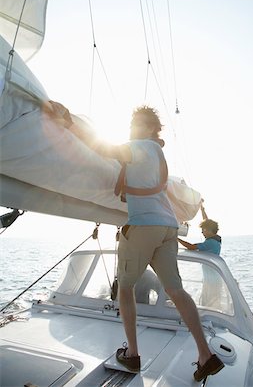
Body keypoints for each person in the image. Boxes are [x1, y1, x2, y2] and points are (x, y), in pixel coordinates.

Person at [45, 102, 224, 382]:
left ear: (151, 129)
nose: (132, 129)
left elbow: (103, 149)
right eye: (131, 125)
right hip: (167, 227)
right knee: (176, 291)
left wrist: (68, 123)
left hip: (143, 226)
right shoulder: (156, 153)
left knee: (125, 288)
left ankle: (132, 355)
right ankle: (205, 355)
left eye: (137, 124)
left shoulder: (140, 147)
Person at [178, 201, 222, 309]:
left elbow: (191, 247)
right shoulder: (216, 239)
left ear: (209, 230)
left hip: (211, 281)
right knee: (208, 303)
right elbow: (207, 222)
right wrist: (202, 210)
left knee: (209, 305)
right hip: (212, 278)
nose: (202, 232)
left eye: (203, 230)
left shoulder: (210, 243)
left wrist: (175, 237)